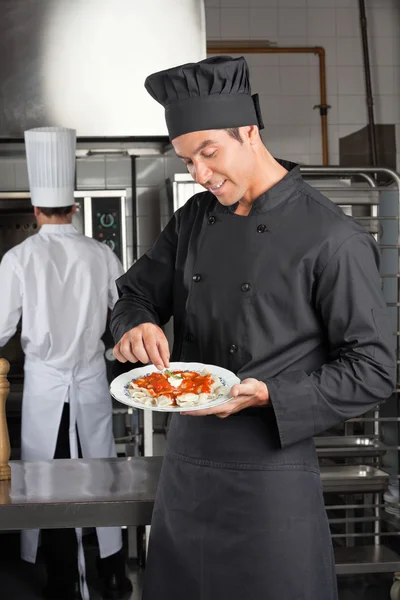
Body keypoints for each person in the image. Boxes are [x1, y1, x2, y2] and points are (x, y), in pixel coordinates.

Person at [110, 56, 396, 600]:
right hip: (187, 466)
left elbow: (374, 369)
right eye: (187, 159)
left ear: (249, 131)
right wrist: (136, 323)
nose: (199, 173)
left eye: (208, 152)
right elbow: (134, 293)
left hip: (271, 476)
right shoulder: (194, 217)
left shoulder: (333, 239)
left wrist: (271, 396)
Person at [0, 127, 132, 600]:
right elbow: (123, 325)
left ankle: (61, 582)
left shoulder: (18, 259)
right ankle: (114, 575)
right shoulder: (102, 254)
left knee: (51, 484)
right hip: (92, 380)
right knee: (101, 475)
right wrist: (114, 353)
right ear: (74, 207)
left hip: (45, 386)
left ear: (35, 209)